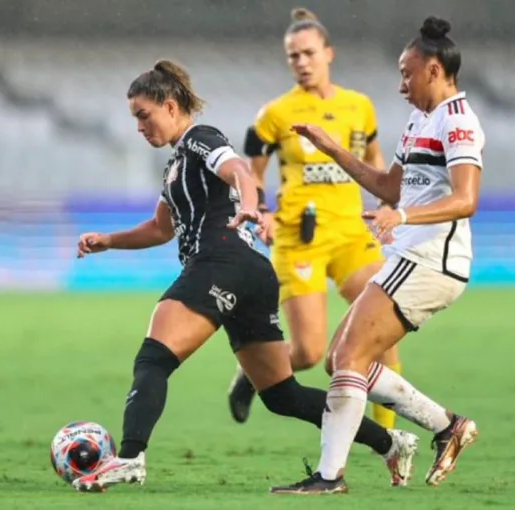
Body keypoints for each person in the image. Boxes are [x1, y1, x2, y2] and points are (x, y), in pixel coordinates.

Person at [71, 59, 418, 493]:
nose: (139, 126)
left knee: (153, 359)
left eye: (144, 115)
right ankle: (391, 442)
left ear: (171, 105)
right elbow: (161, 228)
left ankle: (130, 457)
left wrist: (251, 203)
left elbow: (237, 170)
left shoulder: (201, 138)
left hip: (222, 262)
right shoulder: (175, 165)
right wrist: (108, 239)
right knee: (282, 395)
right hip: (251, 273)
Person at [270, 17, 482, 495]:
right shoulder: (418, 121)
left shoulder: (459, 122)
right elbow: (389, 186)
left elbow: (467, 198)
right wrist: (332, 150)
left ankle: (330, 477)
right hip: (411, 257)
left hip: (432, 261)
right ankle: (448, 426)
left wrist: (401, 217)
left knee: (347, 355)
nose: (401, 84)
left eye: (407, 73)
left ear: (433, 69)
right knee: (339, 361)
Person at [228, 7, 401, 430]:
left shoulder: (359, 107)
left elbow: (376, 163)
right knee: (307, 353)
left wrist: (386, 204)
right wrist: (261, 212)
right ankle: (253, 373)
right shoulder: (274, 114)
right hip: (298, 238)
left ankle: (390, 441)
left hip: (350, 234)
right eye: (293, 56)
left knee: (384, 325)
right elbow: (250, 173)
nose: (301, 63)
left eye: (308, 53)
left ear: (329, 53)